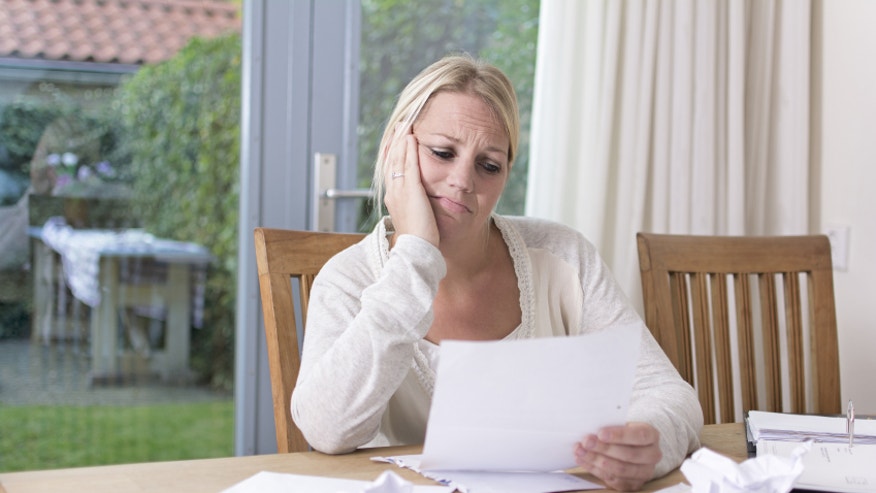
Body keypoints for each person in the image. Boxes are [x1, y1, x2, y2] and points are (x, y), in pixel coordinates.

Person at [291, 53, 703, 491]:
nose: (463, 180)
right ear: (397, 150)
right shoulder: (347, 280)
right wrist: (415, 255)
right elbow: (326, 430)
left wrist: (651, 440)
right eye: (442, 152)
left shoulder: (563, 257)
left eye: (488, 165)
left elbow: (669, 393)